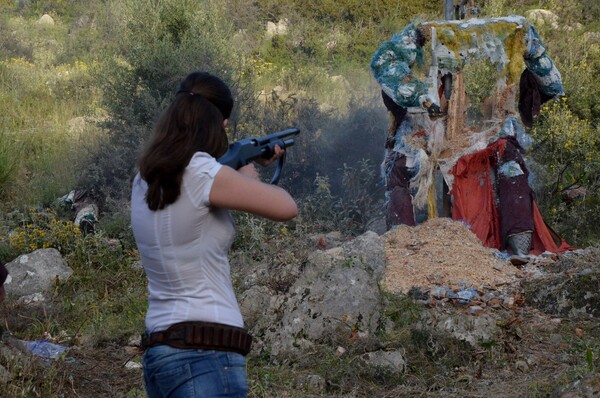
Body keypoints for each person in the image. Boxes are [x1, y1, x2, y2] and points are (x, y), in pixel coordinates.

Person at [130, 71, 298, 398]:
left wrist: (235, 167)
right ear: (219, 123)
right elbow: (286, 207)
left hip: (161, 353)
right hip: (206, 356)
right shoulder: (204, 173)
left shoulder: (143, 178)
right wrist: (248, 170)